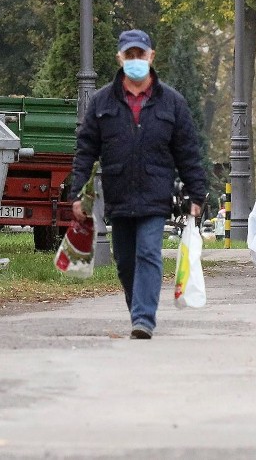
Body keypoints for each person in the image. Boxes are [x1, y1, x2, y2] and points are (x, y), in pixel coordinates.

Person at [70, 29, 207, 339]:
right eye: (129, 55)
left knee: (148, 252)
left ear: (150, 57)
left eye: (140, 55)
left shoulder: (172, 102)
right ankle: (138, 309)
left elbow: (188, 151)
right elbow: (86, 150)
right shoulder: (102, 101)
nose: (135, 61)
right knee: (125, 260)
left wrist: (196, 193)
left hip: (155, 194)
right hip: (118, 193)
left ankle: (143, 318)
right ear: (120, 58)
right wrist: (78, 192)